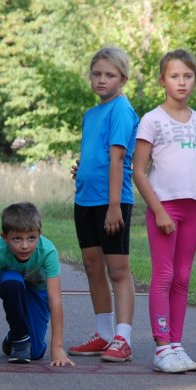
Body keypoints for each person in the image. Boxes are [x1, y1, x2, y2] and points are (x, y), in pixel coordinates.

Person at [131, 49, 196, 374]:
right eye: (174, 76)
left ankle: (177, 345)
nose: (182, 82)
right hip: (164, 208)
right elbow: (139, 171)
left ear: (195, 79)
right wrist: (159, 210)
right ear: (162, 80)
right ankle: (162, 346)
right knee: (164, 275)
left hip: (193, 208)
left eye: (187, 76)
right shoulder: (152, 120)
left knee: (182, 277)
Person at [69, 47, 139, 362]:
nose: (101, 80)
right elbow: (97, 154)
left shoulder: (121, 109)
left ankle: (123, 338)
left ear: (122, 78)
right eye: (96, 74)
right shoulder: (91, 114)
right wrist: (83, 168)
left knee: (118, 270)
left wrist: (113, 206)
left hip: (112, 202)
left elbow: (118, 158)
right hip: (85, 199)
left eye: (110, 75)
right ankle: (104, 334)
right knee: (92, 267)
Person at [0, 202, 75, 366]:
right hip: (13, 285)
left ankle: (12, 337)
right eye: (17, 239)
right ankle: (19, 337)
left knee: (34, 353)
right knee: (13, 283)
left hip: (38, 290)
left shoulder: (48, 251)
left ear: (39, 234)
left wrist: (57, 348)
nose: (25, 246)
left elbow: (55, 300)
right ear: (4, 237)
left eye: (31, 238)